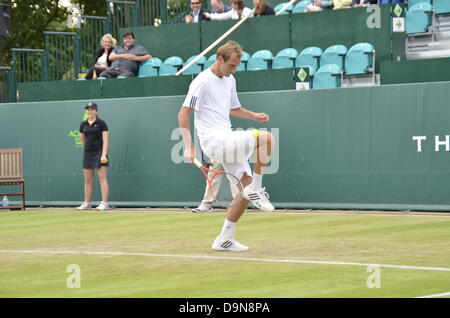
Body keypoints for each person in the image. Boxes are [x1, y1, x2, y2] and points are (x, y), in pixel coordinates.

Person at [178, 41, 275, 252]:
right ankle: (257, 188)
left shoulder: (230, 80)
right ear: (219, 59)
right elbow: (183, 114)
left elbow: (235, 108)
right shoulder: (201, 82)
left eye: (236, 66)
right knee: (267, 139)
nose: (234, 70)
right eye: (231, 65)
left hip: (227, 138)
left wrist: (254, 116)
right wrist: (188, 146)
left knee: (245, 188)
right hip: (214, 143)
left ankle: (224, 238)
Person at [77, 102, 110, 211]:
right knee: (87, 180)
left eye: (92, 109)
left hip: (100, 153)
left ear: (96, 111)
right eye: (88, 109)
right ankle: (87, 203)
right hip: (88, 153)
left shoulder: (102, 123)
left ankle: (104, 203)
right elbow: (82, 139)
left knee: (102, 179)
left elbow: (105, 140)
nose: (90, 111)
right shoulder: (83, 125)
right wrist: (88, 149)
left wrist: (103, 154)